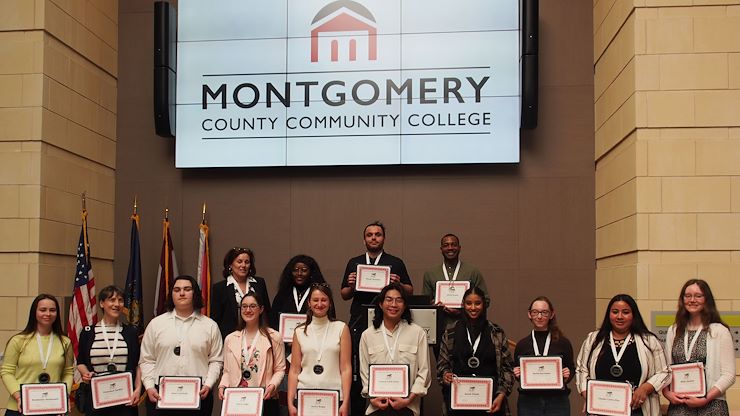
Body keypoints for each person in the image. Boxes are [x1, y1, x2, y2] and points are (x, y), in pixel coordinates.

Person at [341, 221, 413, 416]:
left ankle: (391, 399)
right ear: (364, 239)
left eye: (378, 234)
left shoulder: (395, 262)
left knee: (388, 360)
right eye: (370, 235)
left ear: (384, 238)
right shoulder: (354, 262)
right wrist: (351, 284)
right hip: (359, 321)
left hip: (387, 320)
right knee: (357, 369)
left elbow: (409, 290)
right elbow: (344, 294)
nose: (374, 238)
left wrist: (398, 284)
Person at [139, 275, 223, 416]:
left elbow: (216, 360)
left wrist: (208, 384)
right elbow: (147, 360)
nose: (182, 293)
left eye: (187, 289)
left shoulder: (210, 326)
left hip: (199, 395)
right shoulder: (156, 324)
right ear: (171, 294)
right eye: (177, 290)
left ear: (194, 293)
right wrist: (149, 386)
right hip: (160, 395)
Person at [576, 294, 670, 416]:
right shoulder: (594, 339)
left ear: (633, 315)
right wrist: (587, 393)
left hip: (637, 410)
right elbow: (582, 369)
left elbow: (664, 371)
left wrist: (646, 388)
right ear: (609, 314)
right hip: (601, 409)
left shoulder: (649, 341)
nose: (619, 316)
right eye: (615, 312)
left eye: (625, 312)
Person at [662, 279, 736, 415]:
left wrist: (706, 398)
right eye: (688, 296)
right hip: (680, 406)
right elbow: (666, 370)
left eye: (698, 296)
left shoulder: (719, 331)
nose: (692, 300)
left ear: (706, 299)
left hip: (712, 405)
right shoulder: (673, 331)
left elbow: (729, 375)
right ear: (682, 299)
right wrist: (667, 393)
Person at [438, 287, 514, 416]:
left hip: (491, 403)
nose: (473, 308)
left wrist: (501, 394)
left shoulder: (496, 332)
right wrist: (446, 375)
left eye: (477, 303)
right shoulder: (450, 332)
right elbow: (442, 365)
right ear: (463, 304)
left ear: (484, 304)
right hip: (458, 404)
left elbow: (508, 368)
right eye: (468, 303)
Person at [359, 283, 430, 416]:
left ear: (404, 305)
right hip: (377, 408)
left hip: (408, 408)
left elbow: (424, 372)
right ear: (380, 304)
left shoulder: (417, 333)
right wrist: (373, 399)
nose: (393, 304)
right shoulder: (367, 335)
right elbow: (364, 374)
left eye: (399, 300)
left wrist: (408, 399)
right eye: (389, 299)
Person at [0, 294, 74, 415]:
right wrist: (18, 396)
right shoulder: (18, 341)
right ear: (34, 312)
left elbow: (68, 372)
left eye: (52, 310)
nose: (48, 314)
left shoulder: (65, 342)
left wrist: (64, 396)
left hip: (53, 407)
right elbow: (6, 372)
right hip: (21, 407)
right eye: (43, 310)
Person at [77, 285, 143, 415]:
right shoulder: (88, 333)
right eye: (112, 300)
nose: (117, 304)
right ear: (102, 303)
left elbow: (137, 364)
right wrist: (85, 374)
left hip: (125, 399)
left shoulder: (130, 332)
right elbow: (81, 362)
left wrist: (138, 389)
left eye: (120, 300)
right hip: (97, 398)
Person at [287, 283, 352, 416]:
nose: (320, 304)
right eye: (315, 300)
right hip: (305, 395)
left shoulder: (341, 328)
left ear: (330, 303)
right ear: (309, 303)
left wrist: (345, 401)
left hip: (334, 396)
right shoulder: (299, 331)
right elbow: (294, 370)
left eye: (324, 300)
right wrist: (290, 402)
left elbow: (346, 368)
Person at [422, 233, 489, 356]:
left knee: (466, 365)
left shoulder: (472, 272)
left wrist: (465, 309)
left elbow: (486, 300)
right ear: (441, 249)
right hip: (440, 329)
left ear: (459, 247)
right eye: (446, 245)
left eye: (453, 244)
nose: (450, 248)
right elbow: (425, 304)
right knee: (443, 369)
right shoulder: (430, 273)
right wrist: (434, 304)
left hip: (468, 328)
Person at [218, 293, 285, 415]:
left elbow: (280, 369)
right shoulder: (230, 339)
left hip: (265, 399)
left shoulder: (274, 337)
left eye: (253, 306)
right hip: (237, 400)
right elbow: (227, 371)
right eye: (244, 306)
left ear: (261, 309)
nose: (248, 310)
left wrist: (273, 385)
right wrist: (222, 386)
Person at [512, 296, 574, 416]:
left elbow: (571, 368)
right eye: (535, 312)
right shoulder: (522, 344)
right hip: (528, 403)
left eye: (544, 312)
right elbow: (518, 372)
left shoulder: (563, 343)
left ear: (551, 314)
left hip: (557, 402)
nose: (539, 316)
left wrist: (567, 375)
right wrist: (517, 374)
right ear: (529, 314)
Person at [211, 247, 271, 339]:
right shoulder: (220, 288)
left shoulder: (259, 283)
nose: (243, 265)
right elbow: (216, 319)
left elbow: (267, 311)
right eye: (239, 262)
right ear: (230, 265)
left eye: (247, 262)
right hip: (231, 338)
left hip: (258, 336)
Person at [269, 254, 326, 330]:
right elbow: (273, 322)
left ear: (311, 273)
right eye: (295, 270)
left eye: (304, 270)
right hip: (285, 341)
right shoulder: (282, 295)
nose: (299, 273)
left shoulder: (320, 294)